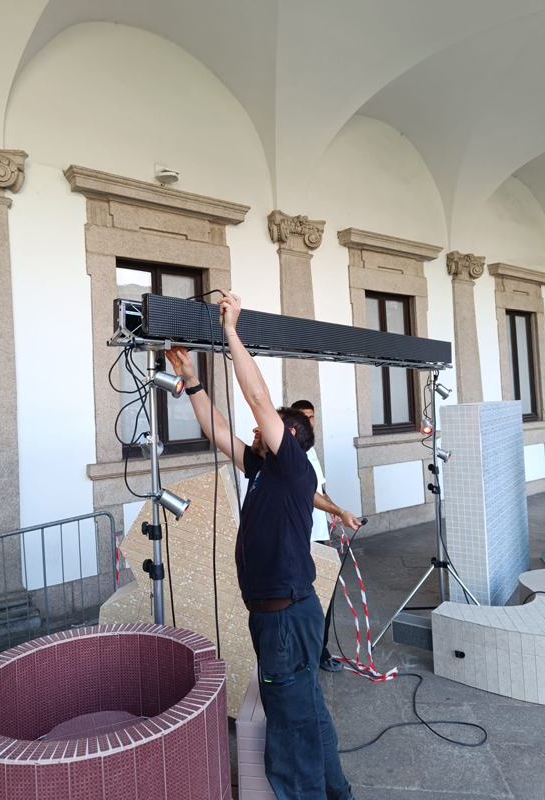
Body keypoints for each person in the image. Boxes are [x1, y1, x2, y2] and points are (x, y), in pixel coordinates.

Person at [167, 290, 354, 800]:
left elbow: (255, 399)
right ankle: (337, 793)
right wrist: (192, 379)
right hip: (285, 615)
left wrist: (230, 332)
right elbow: (217, 428)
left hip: (284, 619)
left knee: (290, 735)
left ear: (287, 437)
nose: (255, 427)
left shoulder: (292, 466)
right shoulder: (263, 470)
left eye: (267, 426)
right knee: (308, 714)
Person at [291, 400, 361, 672]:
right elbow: (306, 493)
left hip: (319, 535)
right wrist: (339, 511)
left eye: (311, 417)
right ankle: (308, 655)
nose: (309, 422)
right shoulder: (291, 454)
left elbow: (319, 489)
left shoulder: (310, 450)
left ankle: (320, 651)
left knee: (325, 596)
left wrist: (335, 511)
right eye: (303, 417)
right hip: (302, 538)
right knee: (307, 600)